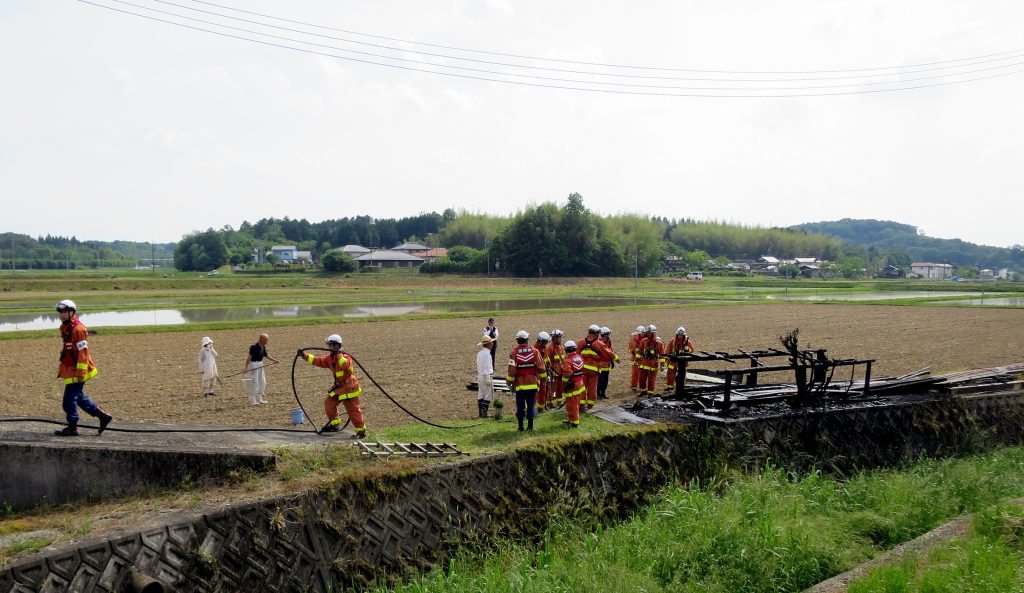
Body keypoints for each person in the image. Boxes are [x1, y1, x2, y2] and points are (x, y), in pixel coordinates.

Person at [54, 300, 113, 437]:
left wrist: (81, 372)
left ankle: (72, 427)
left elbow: (83, 352)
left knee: (68, 400)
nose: (61, 315)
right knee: (79, 398)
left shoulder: (78, 329)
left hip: (78, 371)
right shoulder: (66, 327)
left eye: (64, 312)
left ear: (71, 312)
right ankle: (103, 416)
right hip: (71, 369)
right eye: (60, 312)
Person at [298, 334, 367, 438]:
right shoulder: (330, 358)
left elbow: (345, 365)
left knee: (352, 410)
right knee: (329, 403)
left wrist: (339, 354)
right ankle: (334, 425)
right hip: (340, 388)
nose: (328, 347)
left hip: (349, 388)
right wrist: (304, 355)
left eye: (330, 345)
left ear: (336, 346)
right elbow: (318, 361)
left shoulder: (345, 356)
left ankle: (361, 432)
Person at [506, 330, 545, 432]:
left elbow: (512, 371)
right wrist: (543, 379)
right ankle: (531, 427)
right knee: (531, 405)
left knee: (520, 406)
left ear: (517, 340)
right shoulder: (535, 351)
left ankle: (520, 427)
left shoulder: (513, 353)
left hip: (520, 386)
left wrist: (509, 382)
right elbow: (541, 368)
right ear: (527, 340)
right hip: (532, 385)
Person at [577, 324, 614, 411]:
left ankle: (581, 405)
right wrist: (616, 358)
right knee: (592, 388)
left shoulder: (581, 341)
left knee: (582, 388)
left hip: (583, 369)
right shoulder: (598, 343)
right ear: (596, 333)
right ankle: (590, 406)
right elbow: (608, 352)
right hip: (594, 370)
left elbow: (576, 354)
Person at [243, 333, 278, 405]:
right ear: (261, 339)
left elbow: (266, 355)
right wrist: (246, 368)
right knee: (254, 382)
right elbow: (249, 358)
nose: (267, 341)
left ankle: (259, 399)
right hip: (253, 364)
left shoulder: (263, 346)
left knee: (262, 381)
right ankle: (252, 400)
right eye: (266, 340)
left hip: (260, 364)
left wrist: (274, 360)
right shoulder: (253, 347)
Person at [560, 340, 586, 429]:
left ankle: (574, 424)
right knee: (576, 404)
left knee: (572, 405)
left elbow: (566, 375)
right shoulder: (580, 357)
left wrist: (564, 387)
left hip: (572, 386)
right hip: (580, 384)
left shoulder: (567, 361)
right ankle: (572, 420)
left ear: (566, 350)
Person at [664, 327, 696, 393]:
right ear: (676, 334)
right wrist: (667, 360)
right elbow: (667, 351)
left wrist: (687, 349)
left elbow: (692, 350)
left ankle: (681, 387)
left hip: (682, 362)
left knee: (681, 375)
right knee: (670, 374)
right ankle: (670, 387)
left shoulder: (687, 342)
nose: (680, 336)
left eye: (681, 335)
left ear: (683, 335)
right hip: (673, 361)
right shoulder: (672, 341)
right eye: (679, 335)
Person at [637, 324, 664, 397]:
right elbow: (639, 351)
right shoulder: (644, 341)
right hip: (644, 362)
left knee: (651, 380)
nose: (648, 334)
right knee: (641, 379)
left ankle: (650, 393)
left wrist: (662, 366)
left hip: (653, 363)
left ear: (653, 333)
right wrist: (636, 360)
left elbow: (662, 355)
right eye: (648, 332)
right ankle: (643, 391)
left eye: (650, 333)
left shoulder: (658, 343)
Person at [546, 329, 567, 407]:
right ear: (555, 338)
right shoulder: (549, 348)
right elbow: (548, 361)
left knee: (560, 388)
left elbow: (563, 359)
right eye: (559, 337)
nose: (560, 339)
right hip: (553, 373)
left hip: (560, 372)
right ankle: (549, 402)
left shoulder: (560, 347)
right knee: (551, 389)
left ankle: (559, 401)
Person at [597, 327, 619, 400]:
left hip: (606, 365)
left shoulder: (609, 341)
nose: (609, 335)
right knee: (600, 380)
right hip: (600, 365)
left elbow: (610, 351)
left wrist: (611, 361)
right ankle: (598, 394)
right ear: (605, 334)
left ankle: (603, 393)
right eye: (608, 334)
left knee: (605, 380)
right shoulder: (598, 342)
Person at [476, 335, 495, 418]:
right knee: (488, 395)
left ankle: (481, 413)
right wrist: (488, 377)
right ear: (488, 344)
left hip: (480, 376)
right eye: (491, 342)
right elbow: (487, 367)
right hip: (486, 376)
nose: (492, 344)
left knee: (481, 394)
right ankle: (484, 414)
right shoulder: (488, 354)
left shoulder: (479, 353)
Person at [533, 331, 551, 412]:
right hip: (536, 373)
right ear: (541, 341)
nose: (546, 344)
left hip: (543, 373)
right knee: (535, 391)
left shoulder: (545, 348)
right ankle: (531, 409)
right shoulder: (534, 349)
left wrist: (548, 365)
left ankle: (541, 407)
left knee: (543, 391)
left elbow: (546, 359)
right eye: (545, 342)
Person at [629, 325, 646, 393]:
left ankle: (643, 386)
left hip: (643, 359)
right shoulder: (633, 339)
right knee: (635, 373)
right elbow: (630, 350)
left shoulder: (646, 339)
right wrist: (634, 351)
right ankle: (633, 386)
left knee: (643, 374)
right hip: (635, 358)